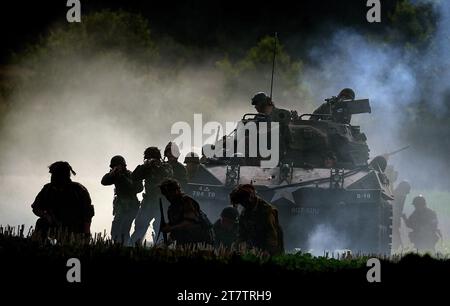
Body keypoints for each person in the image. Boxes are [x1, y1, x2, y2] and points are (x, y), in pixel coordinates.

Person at [31, 161, 94, 240]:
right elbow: (36, 207)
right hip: (54, 226)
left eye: (56, 174)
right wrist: (46, 216)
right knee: (41, 223)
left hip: (74, 229)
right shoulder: (48, 190)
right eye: (52, 174)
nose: (53, 177)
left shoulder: (78, 191)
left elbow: (87, 214)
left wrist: (86, 234)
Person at [129, 147, 173, 245]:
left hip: (162, 202)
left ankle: (161, 247)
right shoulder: (146, 168)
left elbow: (168, 175)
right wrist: (146, 166)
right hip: (148, 201)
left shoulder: (165, 166)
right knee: (140, 225)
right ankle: (134, 246)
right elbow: (134, 176)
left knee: (160, 227)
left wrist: (158, 166)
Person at [229, 184, 284, 255]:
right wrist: (237, 246)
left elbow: (272, 236)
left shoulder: (267, 211)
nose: (243, 205)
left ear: (250, 199)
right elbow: (242, 233)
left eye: (243, 202)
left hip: (269, 251)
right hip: (254, 250)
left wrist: (267, 252)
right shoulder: (245, 211)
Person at [159, 179, 214, 246]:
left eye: (169, 193)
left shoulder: (186, 201)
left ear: (176, 191)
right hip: (185, 240)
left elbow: (189, 222)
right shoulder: (171, 209)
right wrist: (166, 243)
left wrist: (170, 228)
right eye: (166, 194)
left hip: (200, 240)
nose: (168, 197)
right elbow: (175, 232)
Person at [101, 155, 141, 244]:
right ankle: (118, 246)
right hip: (121, 207)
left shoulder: (130, 174)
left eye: (117, 165)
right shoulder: (115, 175)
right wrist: (112, 174)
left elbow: (135, 188)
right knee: (115, 230)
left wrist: (121, 176)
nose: (115, 168)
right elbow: (104, 181)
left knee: (124, 230)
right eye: (113, 166)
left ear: (122, 165)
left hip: (131, 206)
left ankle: (126, 247)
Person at [251, 92, 292, 161]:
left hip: (279, 149)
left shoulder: (282, 114)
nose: (255, 107)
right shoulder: (258, 117)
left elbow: (288, 131)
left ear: (263, 103)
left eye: (257, 104)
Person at [391, 181, 411, 250]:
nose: (406, 194)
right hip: (393, 217)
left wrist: (399, 214)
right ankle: (397, 247)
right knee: (395, 233)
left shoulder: (398, 194)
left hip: (395, 217)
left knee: (395, 232)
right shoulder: (398, 195)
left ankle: (397, 246)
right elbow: (395, 207)